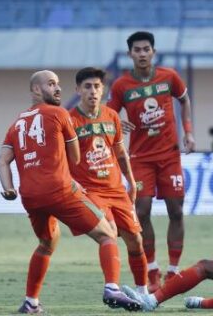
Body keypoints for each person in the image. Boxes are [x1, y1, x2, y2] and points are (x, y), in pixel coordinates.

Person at [0, 70, 141, 313]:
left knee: (46, 244)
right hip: (59, 189)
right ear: (35, 90)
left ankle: (31, 302)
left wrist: (8, 188)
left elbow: (2, 161)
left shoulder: (17, 123)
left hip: (30, 197)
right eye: (51, 84)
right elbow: (75, 158)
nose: (57, 89)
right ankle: (112, 289)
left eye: (58, 84)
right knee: (107, 233)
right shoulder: (60, 113)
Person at [107, 31, 196, 293]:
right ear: (130, 54)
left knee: (176, 211)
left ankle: (174, 271)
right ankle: (153, 269)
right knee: (142, 211)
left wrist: (188, 132)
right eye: (137, 50)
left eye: (147, 49)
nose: (142, 54)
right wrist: (115, 121)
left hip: (169, 155)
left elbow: (185, 100)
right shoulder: (122, 86)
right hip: (140, 158)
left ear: (153, 52)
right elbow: (108, 113)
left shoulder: (169, 77)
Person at [68, 67, 149, 294]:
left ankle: (143, 292)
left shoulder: (112, 116)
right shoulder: (69, 121)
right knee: (109, 231)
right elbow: (63, 159)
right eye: (87, 87)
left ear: (103, 90)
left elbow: (121, 153)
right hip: (91, 192)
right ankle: (111, 287)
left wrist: (131, 182)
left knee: (135, 240)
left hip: (116, 190)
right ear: (78, 90)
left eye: (97, 86)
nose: (93, 91)